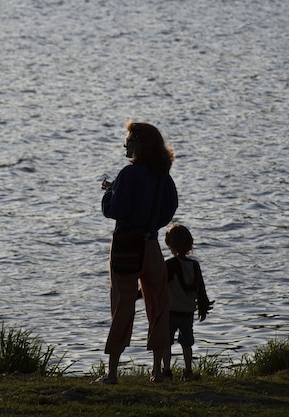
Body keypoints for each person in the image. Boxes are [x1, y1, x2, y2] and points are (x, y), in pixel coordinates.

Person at [94, 121, 178, 384]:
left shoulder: (128, 175)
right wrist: (151, 225)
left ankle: (112, 373)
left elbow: (114, 210)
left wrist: (110, 193)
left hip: (125, 247)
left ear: (139, 143)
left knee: (122, 305)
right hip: (151, 245)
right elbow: (169, 208)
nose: (124, 144)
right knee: (158, 306)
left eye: (128, 140)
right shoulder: (163, 175)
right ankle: (158, 371)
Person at [162, 224, 213, 381]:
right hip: (188, 311)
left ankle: (167, 371)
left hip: (171, 311)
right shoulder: (194, 265)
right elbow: (201, 290)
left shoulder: (169, 265)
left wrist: (137, 295)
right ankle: (188, 371)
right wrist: (202, 308)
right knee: (187, 343)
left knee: (166, 343)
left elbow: (158, 286)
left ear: (170, 244)